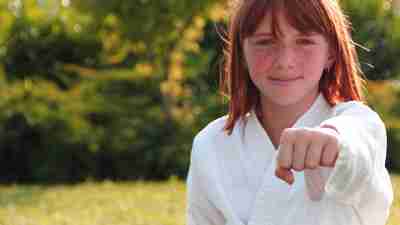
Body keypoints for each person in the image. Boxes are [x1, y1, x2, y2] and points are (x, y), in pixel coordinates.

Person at [186, 0, 393, 225]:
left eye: (304, 41)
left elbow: (357, 148)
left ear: (331, 53)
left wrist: (333, 141)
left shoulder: (359, 123)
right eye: (265, 42)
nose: (285, 61)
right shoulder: (210, 145)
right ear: (242, 53)